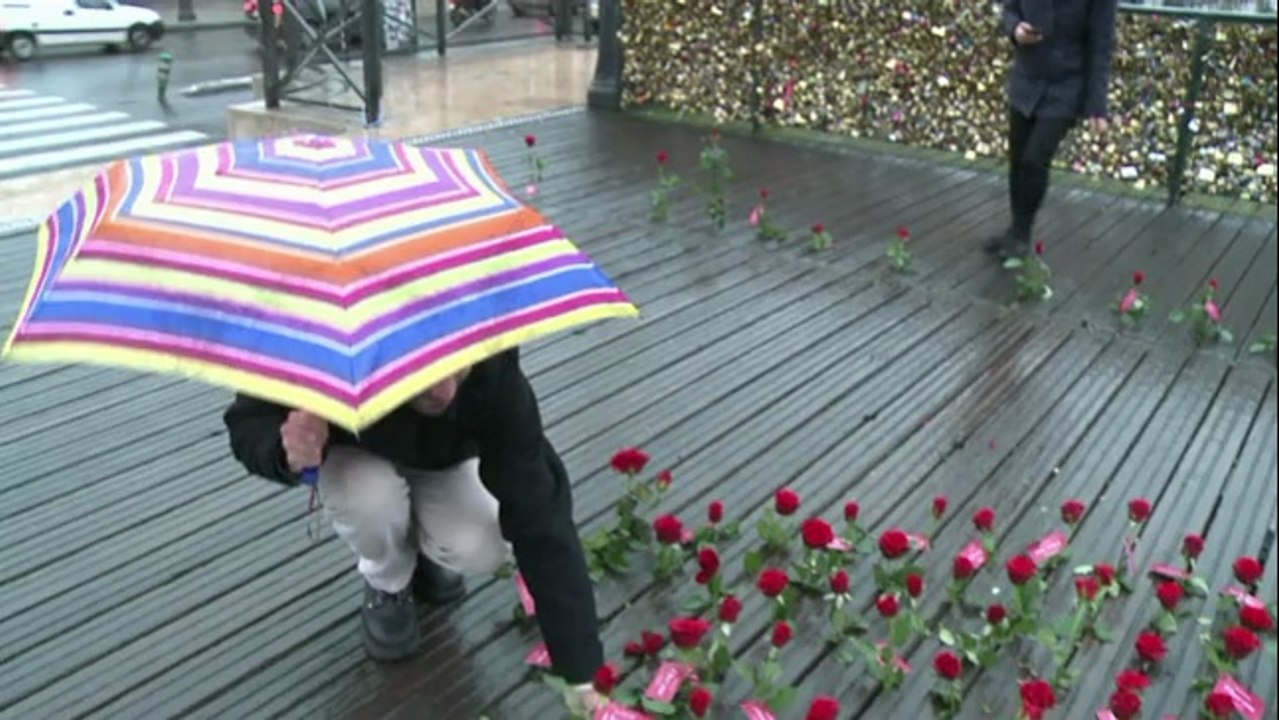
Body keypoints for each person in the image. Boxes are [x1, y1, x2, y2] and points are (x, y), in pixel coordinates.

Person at [223, 347, 605, 711]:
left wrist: (581, 672)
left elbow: (541, 516)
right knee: (370, 500)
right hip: (357, 459)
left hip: (442, 462)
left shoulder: (494, 369)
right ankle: (387, 580)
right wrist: (283, 447)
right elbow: (248, 422)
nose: (442, 390)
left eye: (456, 365)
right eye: (419, 373)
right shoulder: (327, 348)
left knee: (482, 544)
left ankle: (421, 550)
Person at [985, 0, 1117, 259]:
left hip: (1067, 87)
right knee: (1019, 158)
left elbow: (1100, 47)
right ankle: (1014, 229)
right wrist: (1016, 31)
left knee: (1035, 159)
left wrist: (1097, 107)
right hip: (1026, 80)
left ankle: (1021, 233)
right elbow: (1010, 10)